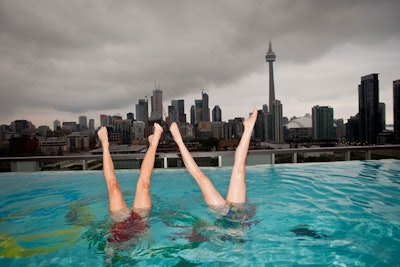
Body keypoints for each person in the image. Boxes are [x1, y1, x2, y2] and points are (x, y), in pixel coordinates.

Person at [169, 107, 258, 227]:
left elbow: (210, 231)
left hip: (222, 214)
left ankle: (179, 140)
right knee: (240, 168)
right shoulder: (239, 240)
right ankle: (248, 128)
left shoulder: (222, 241)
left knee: (201, 177)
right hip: (237, 213)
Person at [97, 123, 163, 243]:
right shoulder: (137, 250)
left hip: (119, 218)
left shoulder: (112, 250)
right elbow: (148, 239)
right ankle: (154, 144)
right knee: (144, 185)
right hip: (140, 219)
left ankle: (105, 145)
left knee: (113, 187)